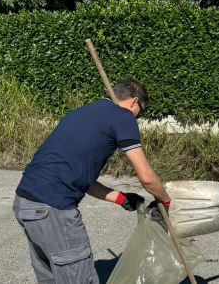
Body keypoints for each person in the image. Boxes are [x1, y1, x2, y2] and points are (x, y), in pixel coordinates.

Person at [12, 78, 172, 284]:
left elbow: (78, 178)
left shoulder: (82, 112)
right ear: (133, 102)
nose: (136, 117)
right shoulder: (123, 116)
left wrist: (119, 197)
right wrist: (165, 200)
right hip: (53, 209)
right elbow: (147, 177)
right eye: (139, 111)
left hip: (25, 205)